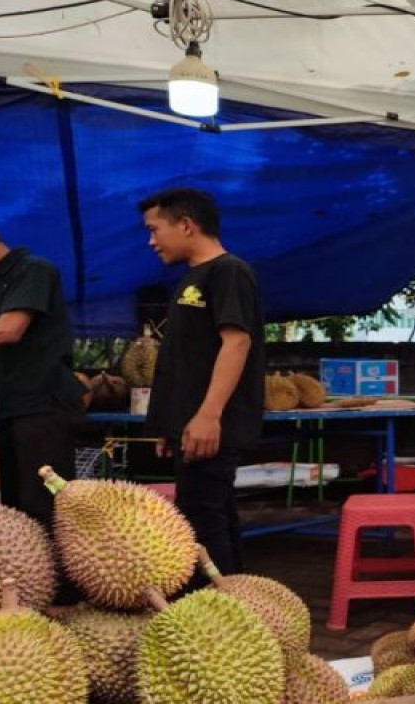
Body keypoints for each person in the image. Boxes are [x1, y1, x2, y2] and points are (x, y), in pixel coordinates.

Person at [139, 188, 264, 577]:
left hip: (212, 424)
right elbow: (186, 358)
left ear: (187, 225)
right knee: (214, 513)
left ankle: (217, 616)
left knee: (201, 522)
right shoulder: (190, 279)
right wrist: (170, 424)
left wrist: (209, 416)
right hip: (190, 425)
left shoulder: (229, 271)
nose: (151, 241)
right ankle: (237, 600)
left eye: (155, 229)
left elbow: (237, 341)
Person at [0, 205, 85, 529]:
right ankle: (30, 580)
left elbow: (9, 330)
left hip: (43, 407)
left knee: (47, 509)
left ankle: (60, 580)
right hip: (12, 409)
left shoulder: (33, 270)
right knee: (18, 511)